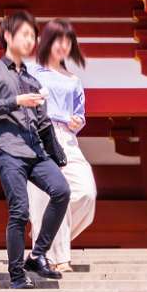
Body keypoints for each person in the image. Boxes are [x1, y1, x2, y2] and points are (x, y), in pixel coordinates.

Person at [0, 9, 71, 288]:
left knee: (62, 191)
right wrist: (16, 101)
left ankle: (37, 254)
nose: (31, 41)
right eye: (25, 34)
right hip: (8, 149)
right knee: (20, 210)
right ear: (7, 36)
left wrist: (57, 155)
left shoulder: (32, 80)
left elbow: (43, 124)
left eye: (34, 36)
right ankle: (17, 275)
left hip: (35, 151)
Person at [26, 19, 97, 271]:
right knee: (47, 197)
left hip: (67, 138)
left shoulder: (74, 80)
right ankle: (59, 258)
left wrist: (78, 122)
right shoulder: (32, 72)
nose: (64, 46)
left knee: (86, 192)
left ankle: (46, 230)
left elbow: (80, 115)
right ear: (47, 42)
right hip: (40, 136)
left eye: (68, 41)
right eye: (59, 40)